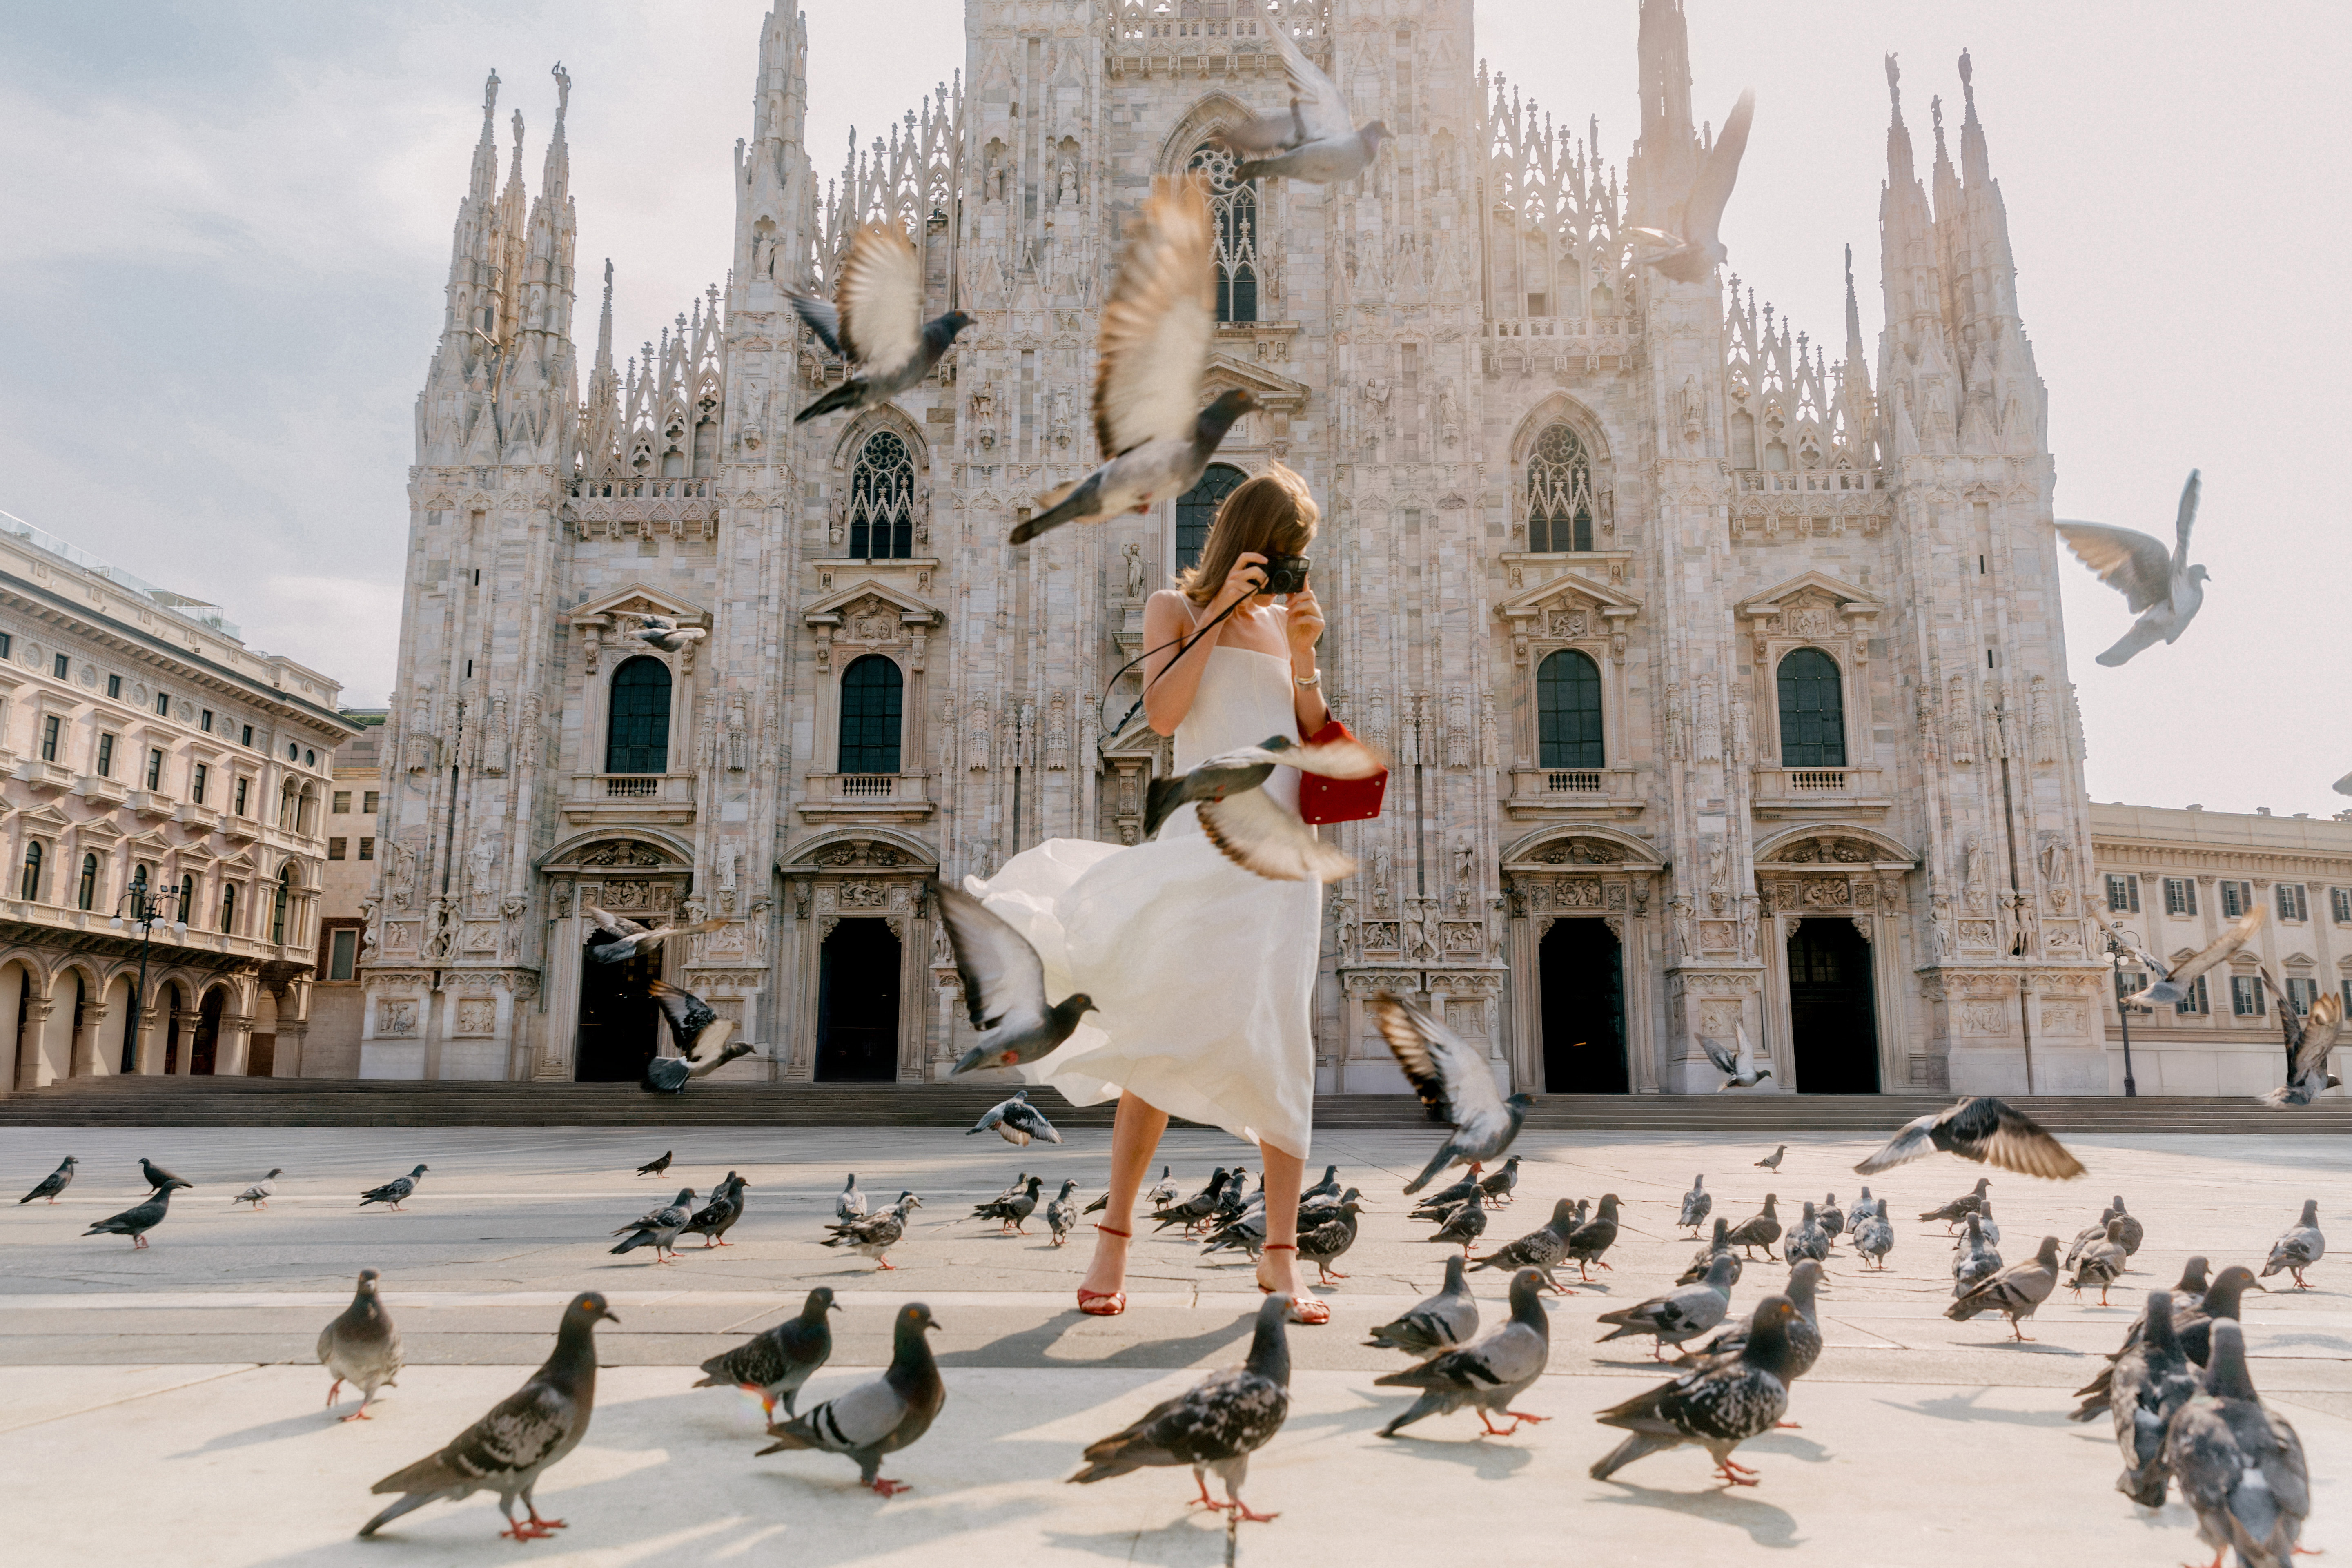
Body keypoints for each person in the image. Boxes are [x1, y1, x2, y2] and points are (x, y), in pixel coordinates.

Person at [967, 463, 1332, 1323]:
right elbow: (1164, 718)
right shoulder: (1174, 606)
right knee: (1161, 1032)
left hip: (1284, 855)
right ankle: (1114, 1238)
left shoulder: (1289, 624)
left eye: (1298, 557)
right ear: (1246, 539)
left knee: (1284, 1038)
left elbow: (1316, 741)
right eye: (1281, 551)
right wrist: (1214, 617)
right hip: (1204, 841)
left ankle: (1281, 1259)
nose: (1288, 568)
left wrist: (1308, 658)